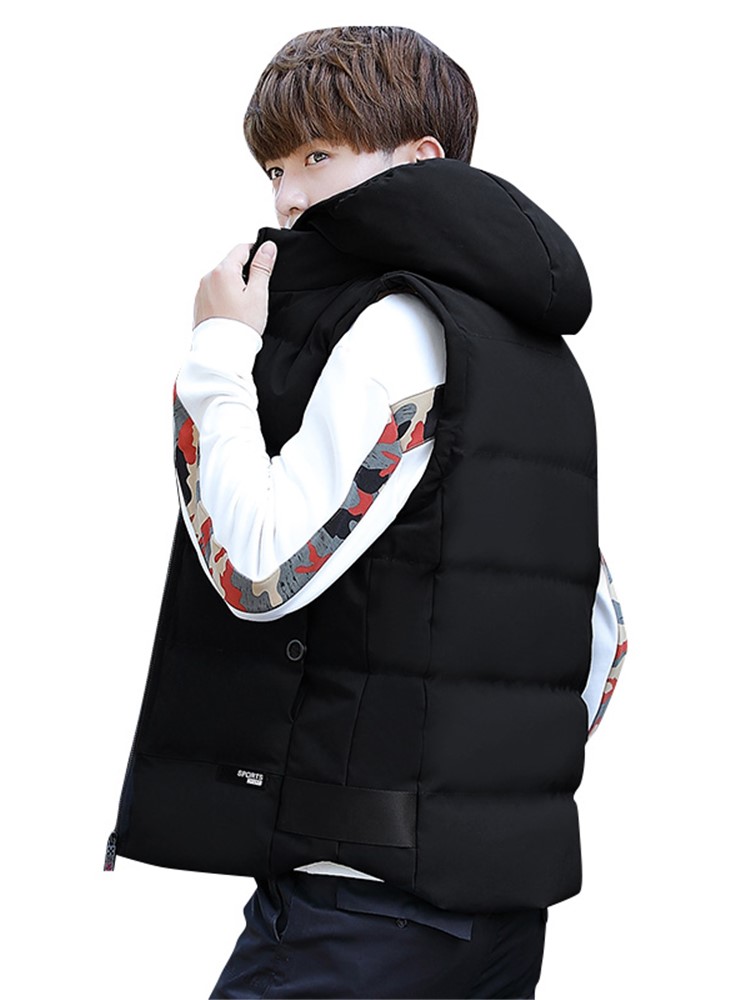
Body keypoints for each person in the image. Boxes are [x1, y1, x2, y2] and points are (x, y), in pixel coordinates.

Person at [104, 26, 627, 999]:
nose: (286, 197)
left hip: (359, 916)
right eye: (274, 168)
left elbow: (263, 570)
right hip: (503, 922)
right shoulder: (542, 355)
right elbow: (599, 633)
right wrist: (485, 792)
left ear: (421, 160)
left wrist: (219, 352)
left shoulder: (395, 327)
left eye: (317, 156)